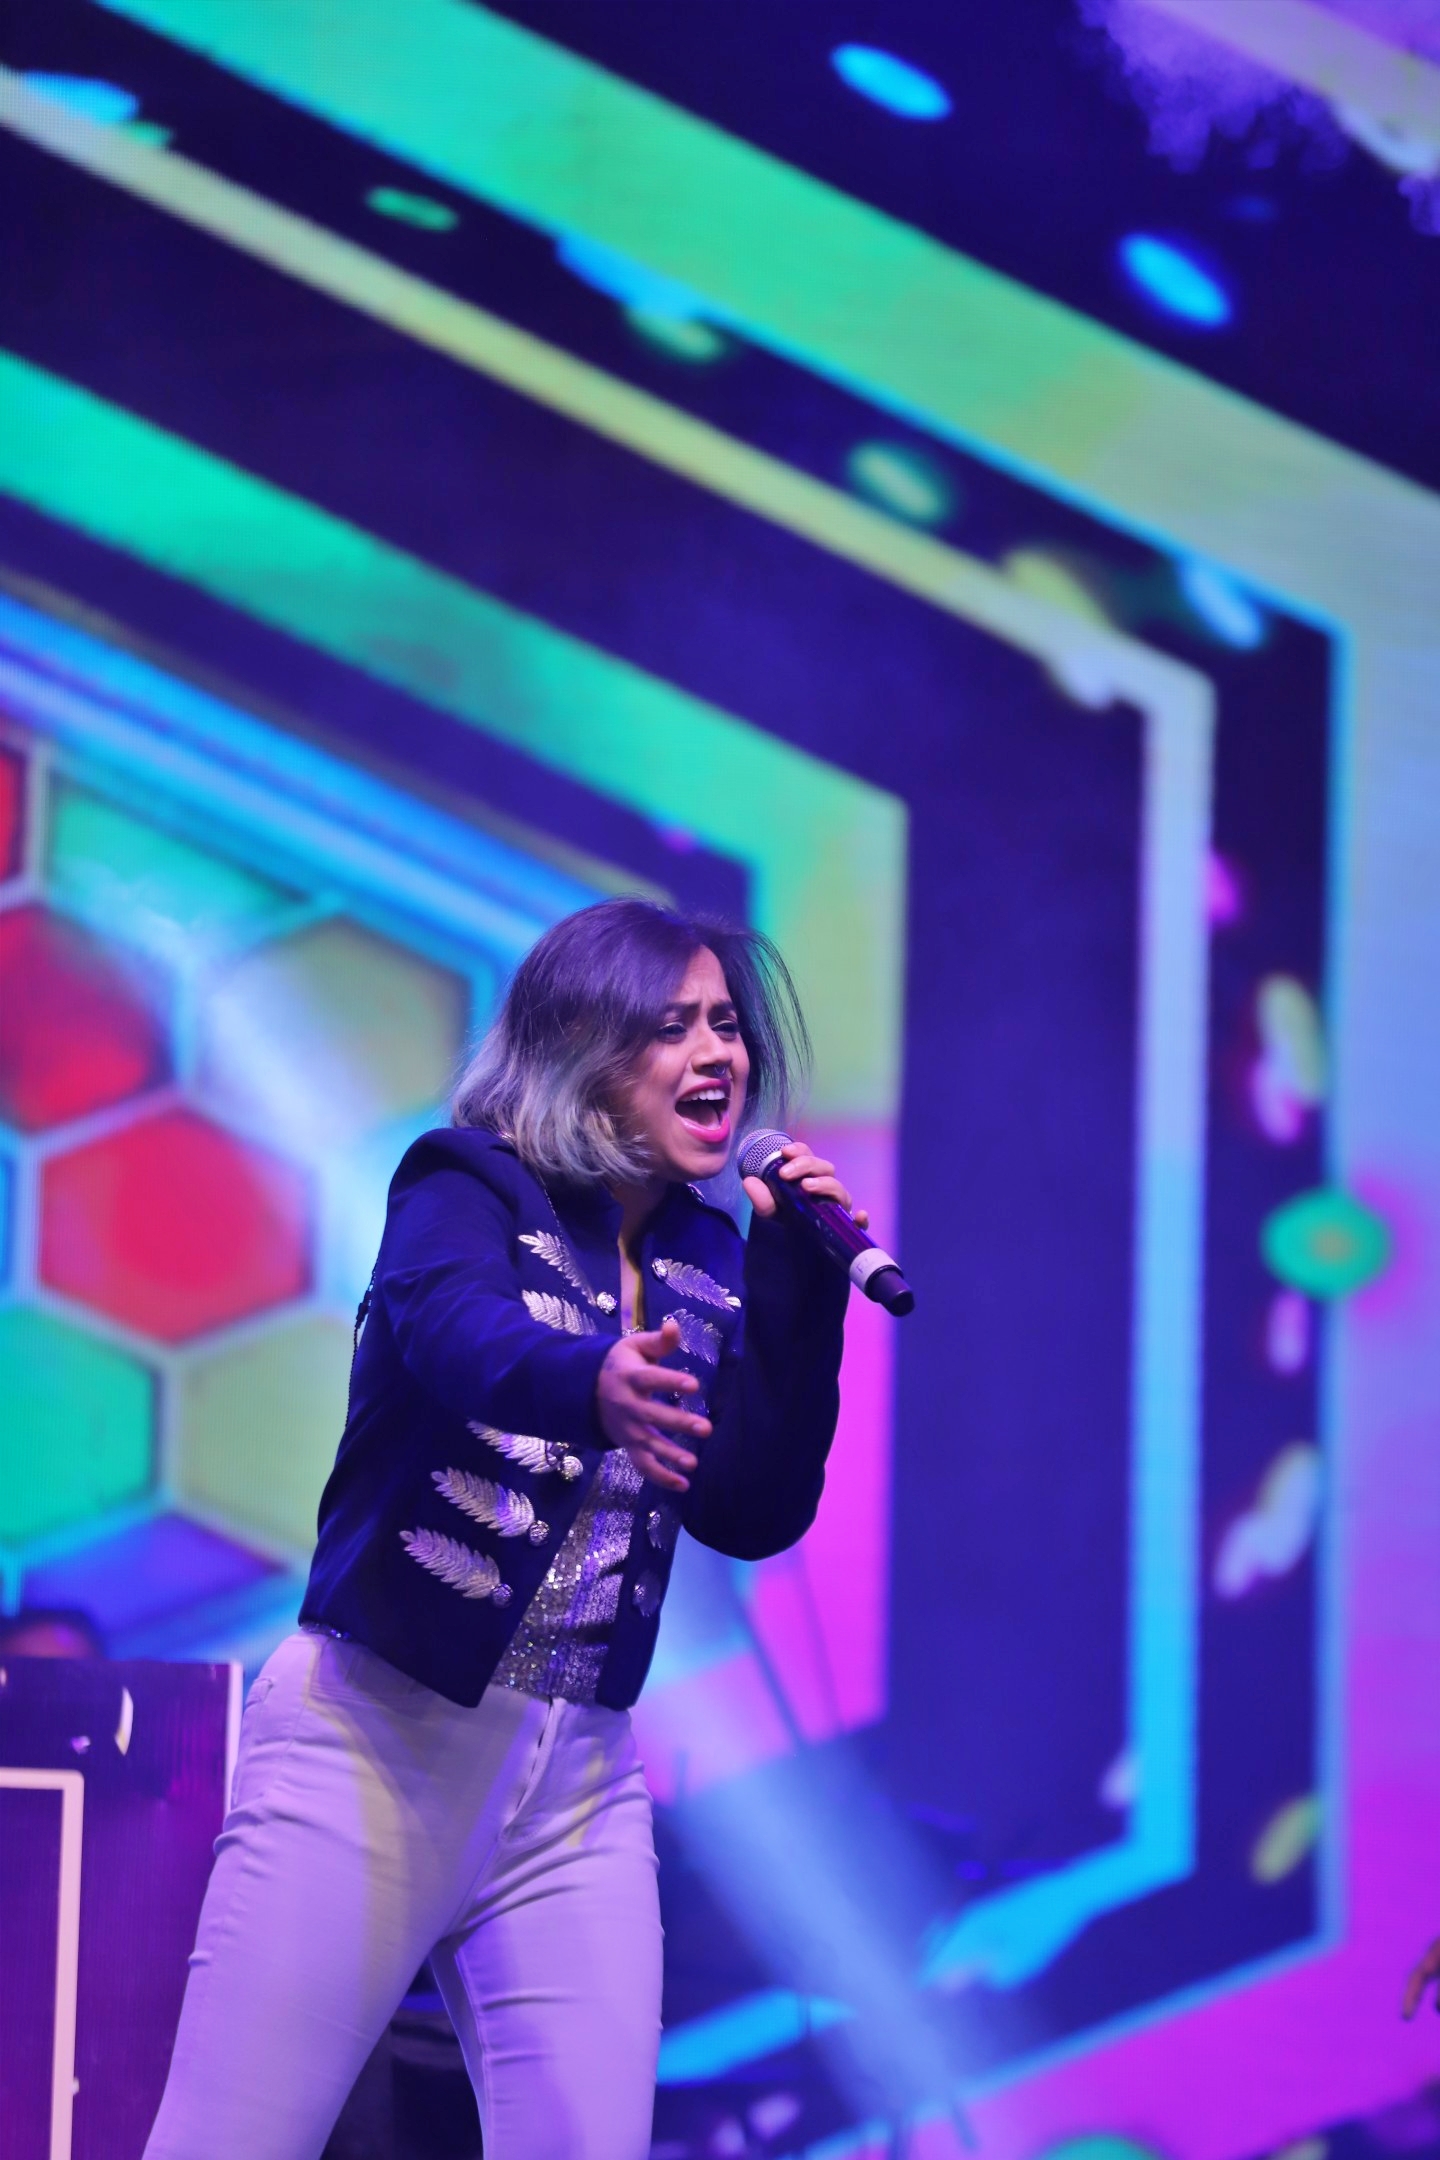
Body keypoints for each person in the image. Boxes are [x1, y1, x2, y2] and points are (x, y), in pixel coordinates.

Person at [144, 898, 862, 2160]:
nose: (719, 1053)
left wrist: (802, 1296)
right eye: (673, 1027)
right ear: (584, 1048)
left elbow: (749, 1509)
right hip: (373, 1741)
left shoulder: (708, 1252)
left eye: (725, 1025)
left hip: (579, 1779)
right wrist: (591, 1383)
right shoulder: (465, 1184)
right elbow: (455, 1334)